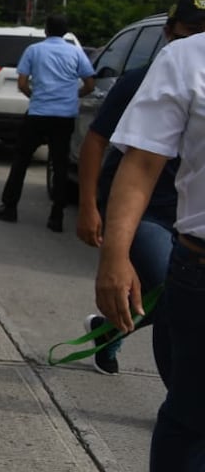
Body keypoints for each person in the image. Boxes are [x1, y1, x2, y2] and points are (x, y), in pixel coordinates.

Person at [77, 0, 205, 381]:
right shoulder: (142, 80)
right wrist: (88, 206)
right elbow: (95, 142)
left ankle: (110, 327)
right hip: (151, 212)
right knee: (173, 292)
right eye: (190, 31)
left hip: (188, 213)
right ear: (168, 33)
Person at [95, 26, 205, 471]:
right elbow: (140, 163)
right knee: (193, 422)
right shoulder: (187, 58)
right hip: (201, 273)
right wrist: (114, 258)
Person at [0, 14, 95, 231]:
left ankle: (9, 207)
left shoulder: (34, 50)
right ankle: (56, 216)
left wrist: (35, 95)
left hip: (38, 113)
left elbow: (21, 82)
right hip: (64, 116)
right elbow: (90, 84)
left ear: (46, 30)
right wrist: (73, 96)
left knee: (21, 160)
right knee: (59, 165)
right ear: (66, 32)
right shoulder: (76, 52)